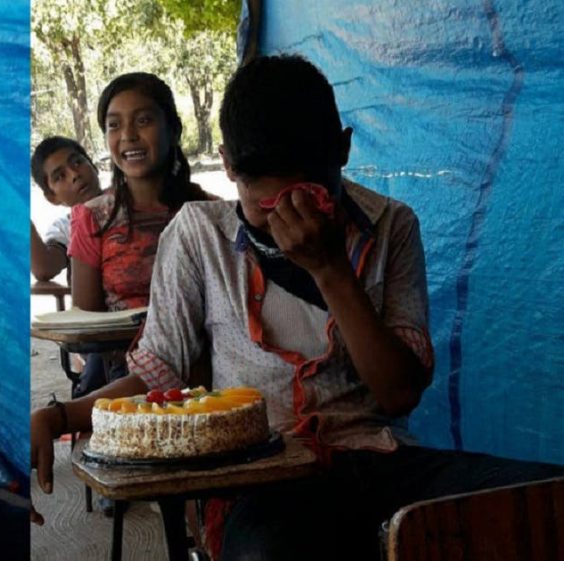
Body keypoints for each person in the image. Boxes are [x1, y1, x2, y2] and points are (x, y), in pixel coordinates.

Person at [30, 55, 563, 559]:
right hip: (258, 473)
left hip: (374, 456)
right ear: (232, 168)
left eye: (310, 194)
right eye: (267, 206)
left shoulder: (390, 226)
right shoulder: (199, 234)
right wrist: (59, 417)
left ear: (343, 150)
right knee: (270, 551)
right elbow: (159, 373)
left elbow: (398, 394)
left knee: (542, 503)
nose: (292, 217)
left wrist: (331, 270)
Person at [66, 72, 212, 397]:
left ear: (173, 129)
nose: (128, 136)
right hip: (125, 378)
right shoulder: (92, 218)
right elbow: (88, 324)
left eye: (143, 120)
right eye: (114, 125)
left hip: (210, 373)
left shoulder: (207, 212)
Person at [30, 136, 101, 282]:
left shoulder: (129, 200)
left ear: (93, 166)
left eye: (77, 162)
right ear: (52, 197)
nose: (75, 174)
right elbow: (45, 268)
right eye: (60, 176)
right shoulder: (65, 228)